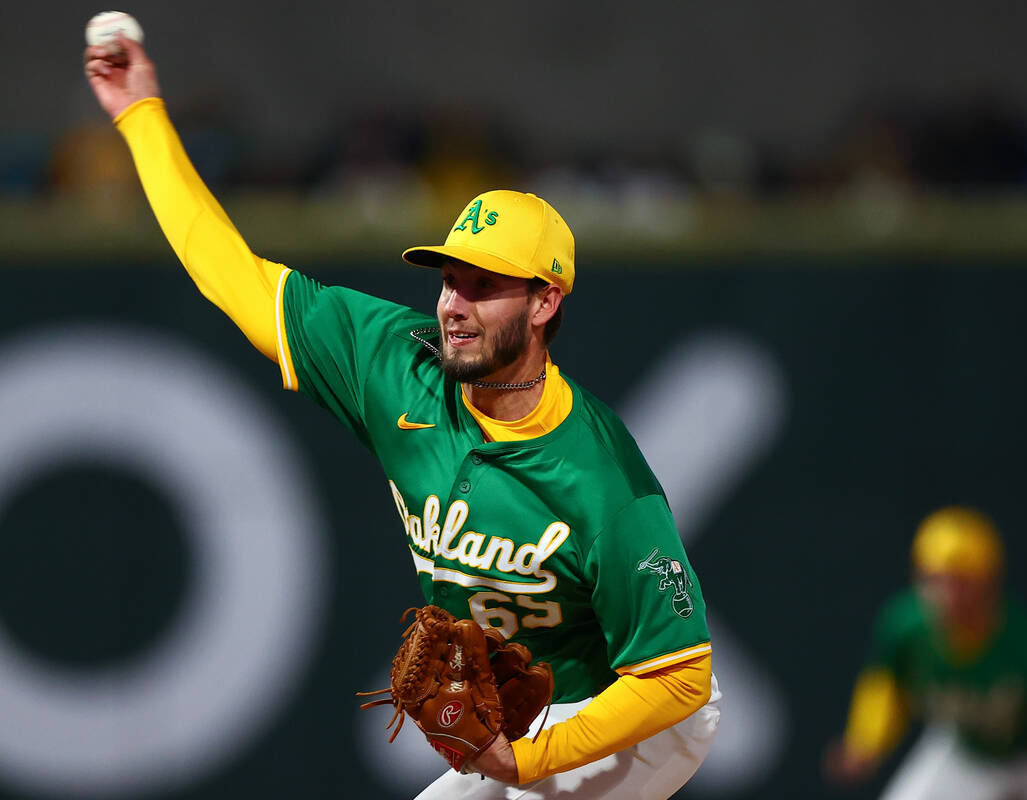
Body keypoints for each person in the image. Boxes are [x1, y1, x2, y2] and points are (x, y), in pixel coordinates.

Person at [84, 36, 719, 800]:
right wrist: (142, 116)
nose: (453, 305)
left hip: (637, 714)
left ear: (546, 302)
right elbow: (230, 273)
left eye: (484, 286)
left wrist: (526, 763)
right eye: (450, 280)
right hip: (540, 718)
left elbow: (680, 676)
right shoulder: (396, 365)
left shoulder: (600, 476)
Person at [824, 506, 1027, 800]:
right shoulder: (905, 628)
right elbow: (887, 688)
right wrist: (865, 742)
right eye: (933, 578)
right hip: (971, 751)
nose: (945, 594)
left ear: (989, 581)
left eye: (961, 581)